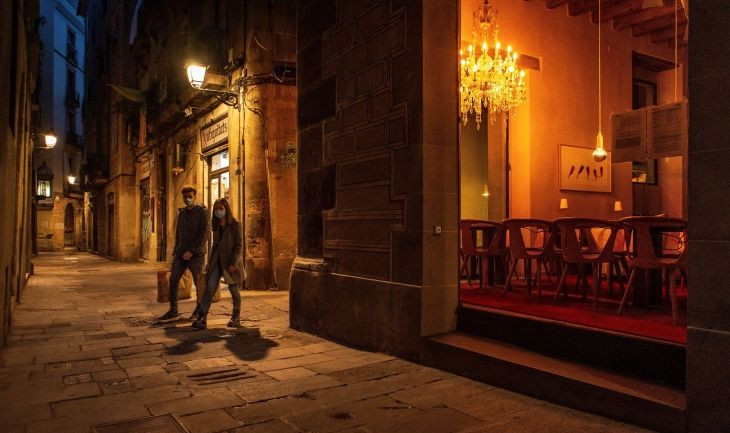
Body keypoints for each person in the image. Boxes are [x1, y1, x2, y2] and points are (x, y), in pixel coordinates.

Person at [157, 185, 210, 323]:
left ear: (195, 196)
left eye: (190, 197)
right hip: (180, 254)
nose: (187, 199)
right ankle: (173, 311)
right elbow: (178, 234)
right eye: (185, 197)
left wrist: (192, 251)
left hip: (196, 255)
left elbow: (204, 233)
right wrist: (176, 251)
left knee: (199, 283)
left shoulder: (202, 211)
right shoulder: (182, 213)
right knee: (173, 280)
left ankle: (199, 310)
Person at [192, 198, 244, 329]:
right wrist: (209, 262)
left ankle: (236, 317)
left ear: (226, 209)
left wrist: (233, 263)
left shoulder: (235, 225)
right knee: (209, 288)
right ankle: (202, 317)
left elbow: (238, 245)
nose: (218, 211)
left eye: (221, 208)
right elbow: (215, 245)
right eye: (216, 209)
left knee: (233, 290)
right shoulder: (216, 226)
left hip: (230, 263)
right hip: (217, 262)